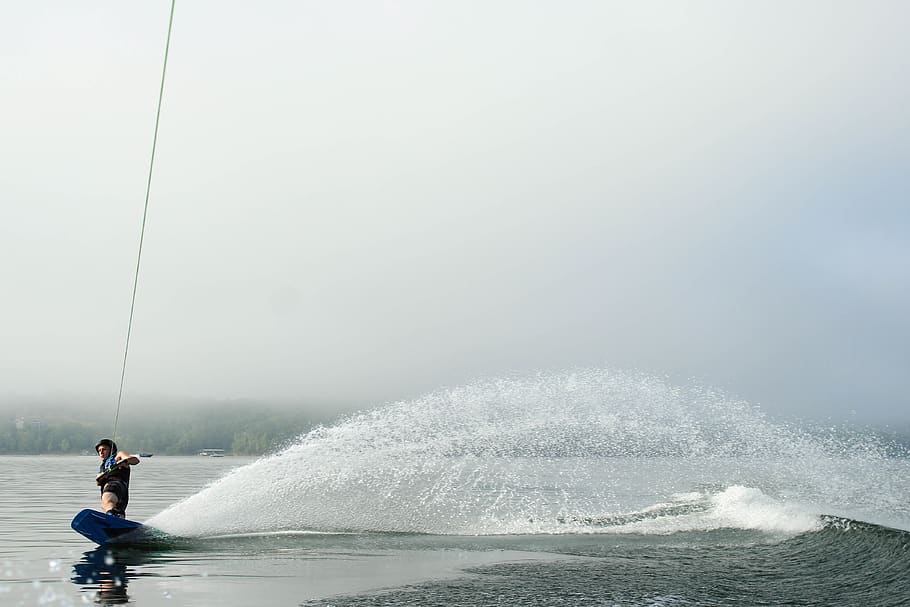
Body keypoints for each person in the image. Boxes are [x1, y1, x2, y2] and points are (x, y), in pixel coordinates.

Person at [94, 438, 140, 518]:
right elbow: (98, 481)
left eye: (104, 449)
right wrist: (100, 477)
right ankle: (118, 521)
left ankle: (111, 516)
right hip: (121, 495)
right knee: (108, 506)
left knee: (107, 500)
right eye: (99, 451)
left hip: (115, 485)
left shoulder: (118, 456)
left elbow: (135, 460)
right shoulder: (102, 467)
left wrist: (123, 462)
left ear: (111, 450)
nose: (101, 452)